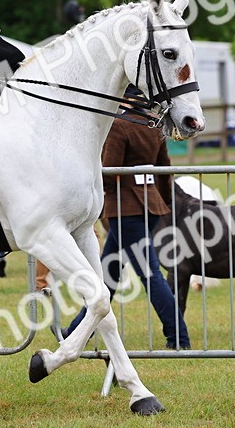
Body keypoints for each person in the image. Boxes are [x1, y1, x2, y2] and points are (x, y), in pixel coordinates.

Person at [62, 90, 191, 350]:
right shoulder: (153, 125)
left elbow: (110, 170)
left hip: (126, 210)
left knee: (150, 275)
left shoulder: (119, 125)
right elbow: (164, 170)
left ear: (126, 101)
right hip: (150, 207)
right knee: (107, 276)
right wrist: (163, 201)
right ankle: (77, 331)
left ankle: (179, 338)